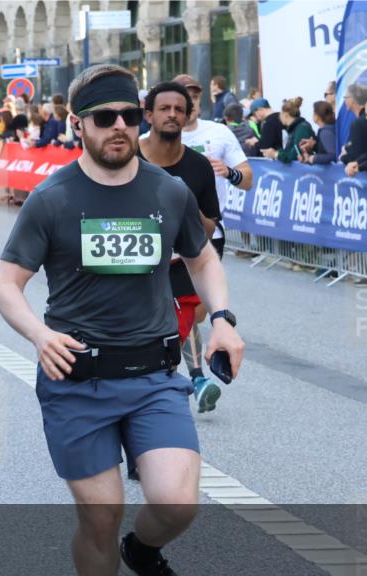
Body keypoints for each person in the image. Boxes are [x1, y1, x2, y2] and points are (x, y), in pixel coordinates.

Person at [0, 63, 244, 576]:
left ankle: (144, 552)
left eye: (130, 116)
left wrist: (224, 318)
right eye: (105, 117)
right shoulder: (53, 198)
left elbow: (202, 258)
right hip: (77, 379)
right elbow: (5, 285)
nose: (120, 127)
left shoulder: (167, 191)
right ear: (78, 124)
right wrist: (39, 334)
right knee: (100, 515)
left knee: (177, 503)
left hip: (154, 376)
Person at [138, 79, 223, 427]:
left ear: (188, 117)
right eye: (164, 108)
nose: (172, 114)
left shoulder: (198, 166)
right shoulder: (127, 157)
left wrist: (184, 200)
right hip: (133, 269)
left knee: (176, 332)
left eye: (179, 110)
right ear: (148, 115)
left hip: (180, 268)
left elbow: (208, 228)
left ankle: (179, 388)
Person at [170, 74, 252, 411]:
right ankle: (193, 378)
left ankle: (175, 369)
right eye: (183, 95)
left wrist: (228, 172)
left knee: (197, 312)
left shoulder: (218, 133)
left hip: (209, 235)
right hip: (167, 238)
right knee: (181, 307)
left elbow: (247, 179)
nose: (189, 100)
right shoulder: (152, 139)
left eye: (194, 94)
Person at [260, 97, 314, 164]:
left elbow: (295, 155)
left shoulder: (301, 129)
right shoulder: (295, 129)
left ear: (285, 115)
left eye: (280, 114)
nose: (279, 117)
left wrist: (275, 154)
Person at [339, 83, 367, 166]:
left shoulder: (358, 124)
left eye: (345, 97)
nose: (345, 101)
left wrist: (343, 157)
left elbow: (357, 156)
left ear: (352, 99)